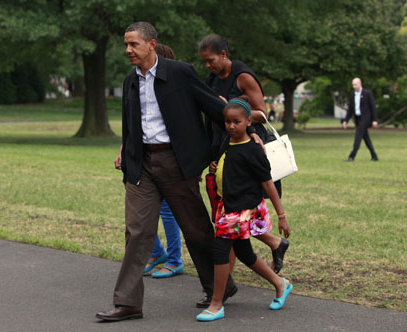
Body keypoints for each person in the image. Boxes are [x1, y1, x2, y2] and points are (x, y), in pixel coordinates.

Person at [96, 22, 237, 322]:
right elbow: (131, 123)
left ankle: (219, 287)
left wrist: (235, 141)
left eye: (133, 44)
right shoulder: (129, 81)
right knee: (137, 232)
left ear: (151, 44)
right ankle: (128, 303)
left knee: (196, 229)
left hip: (176, 162)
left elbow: (216, 110)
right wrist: (127, 153)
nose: (128, 50)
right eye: (126, 44)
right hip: (142, 165)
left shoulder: (180, 72)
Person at [198, 34, 288, 279]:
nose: (208, 66)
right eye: (204, 62)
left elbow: (262, 113)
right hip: (223, 147)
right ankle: (273, 246)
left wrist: (233, 108)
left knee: (234, 216)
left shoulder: (243, 76)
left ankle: (226, 281)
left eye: (211, 60)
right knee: (234, 215)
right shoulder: (212, 79)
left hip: (245, 148)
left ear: (224, 55)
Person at [196, 96, 292, 322]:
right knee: (243, 252)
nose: (231, 126)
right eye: (228, 121)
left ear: (249, 121)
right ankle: (280, 283)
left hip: (242, 209)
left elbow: (268, 183)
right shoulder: (226, 142)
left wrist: (281, 215)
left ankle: (216, 304)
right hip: (227, 205)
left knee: (220, 250)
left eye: (236, 122)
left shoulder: (253, 148)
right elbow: (226, 162)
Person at [114, 44, 183, 279]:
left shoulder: (170, 89)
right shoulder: (137, 84)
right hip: (141, 157)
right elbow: (137, 124)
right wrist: (124, 150)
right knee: (138, 212)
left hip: (167, 159)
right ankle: (157, 254)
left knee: (167, 211)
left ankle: (174, 259)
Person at [342, 77, 379, 161]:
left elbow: (373, 107)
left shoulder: (367, 94)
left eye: (355, 84)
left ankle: (352, 156)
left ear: (360, 84)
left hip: (366, 118)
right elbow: (350, 109)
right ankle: (374, 156)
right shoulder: (352, 95)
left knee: (358, 136)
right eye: (353, 85)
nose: (354, 86)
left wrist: (374, 120)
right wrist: (345, 120)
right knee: (366, 138)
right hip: (358, 119)